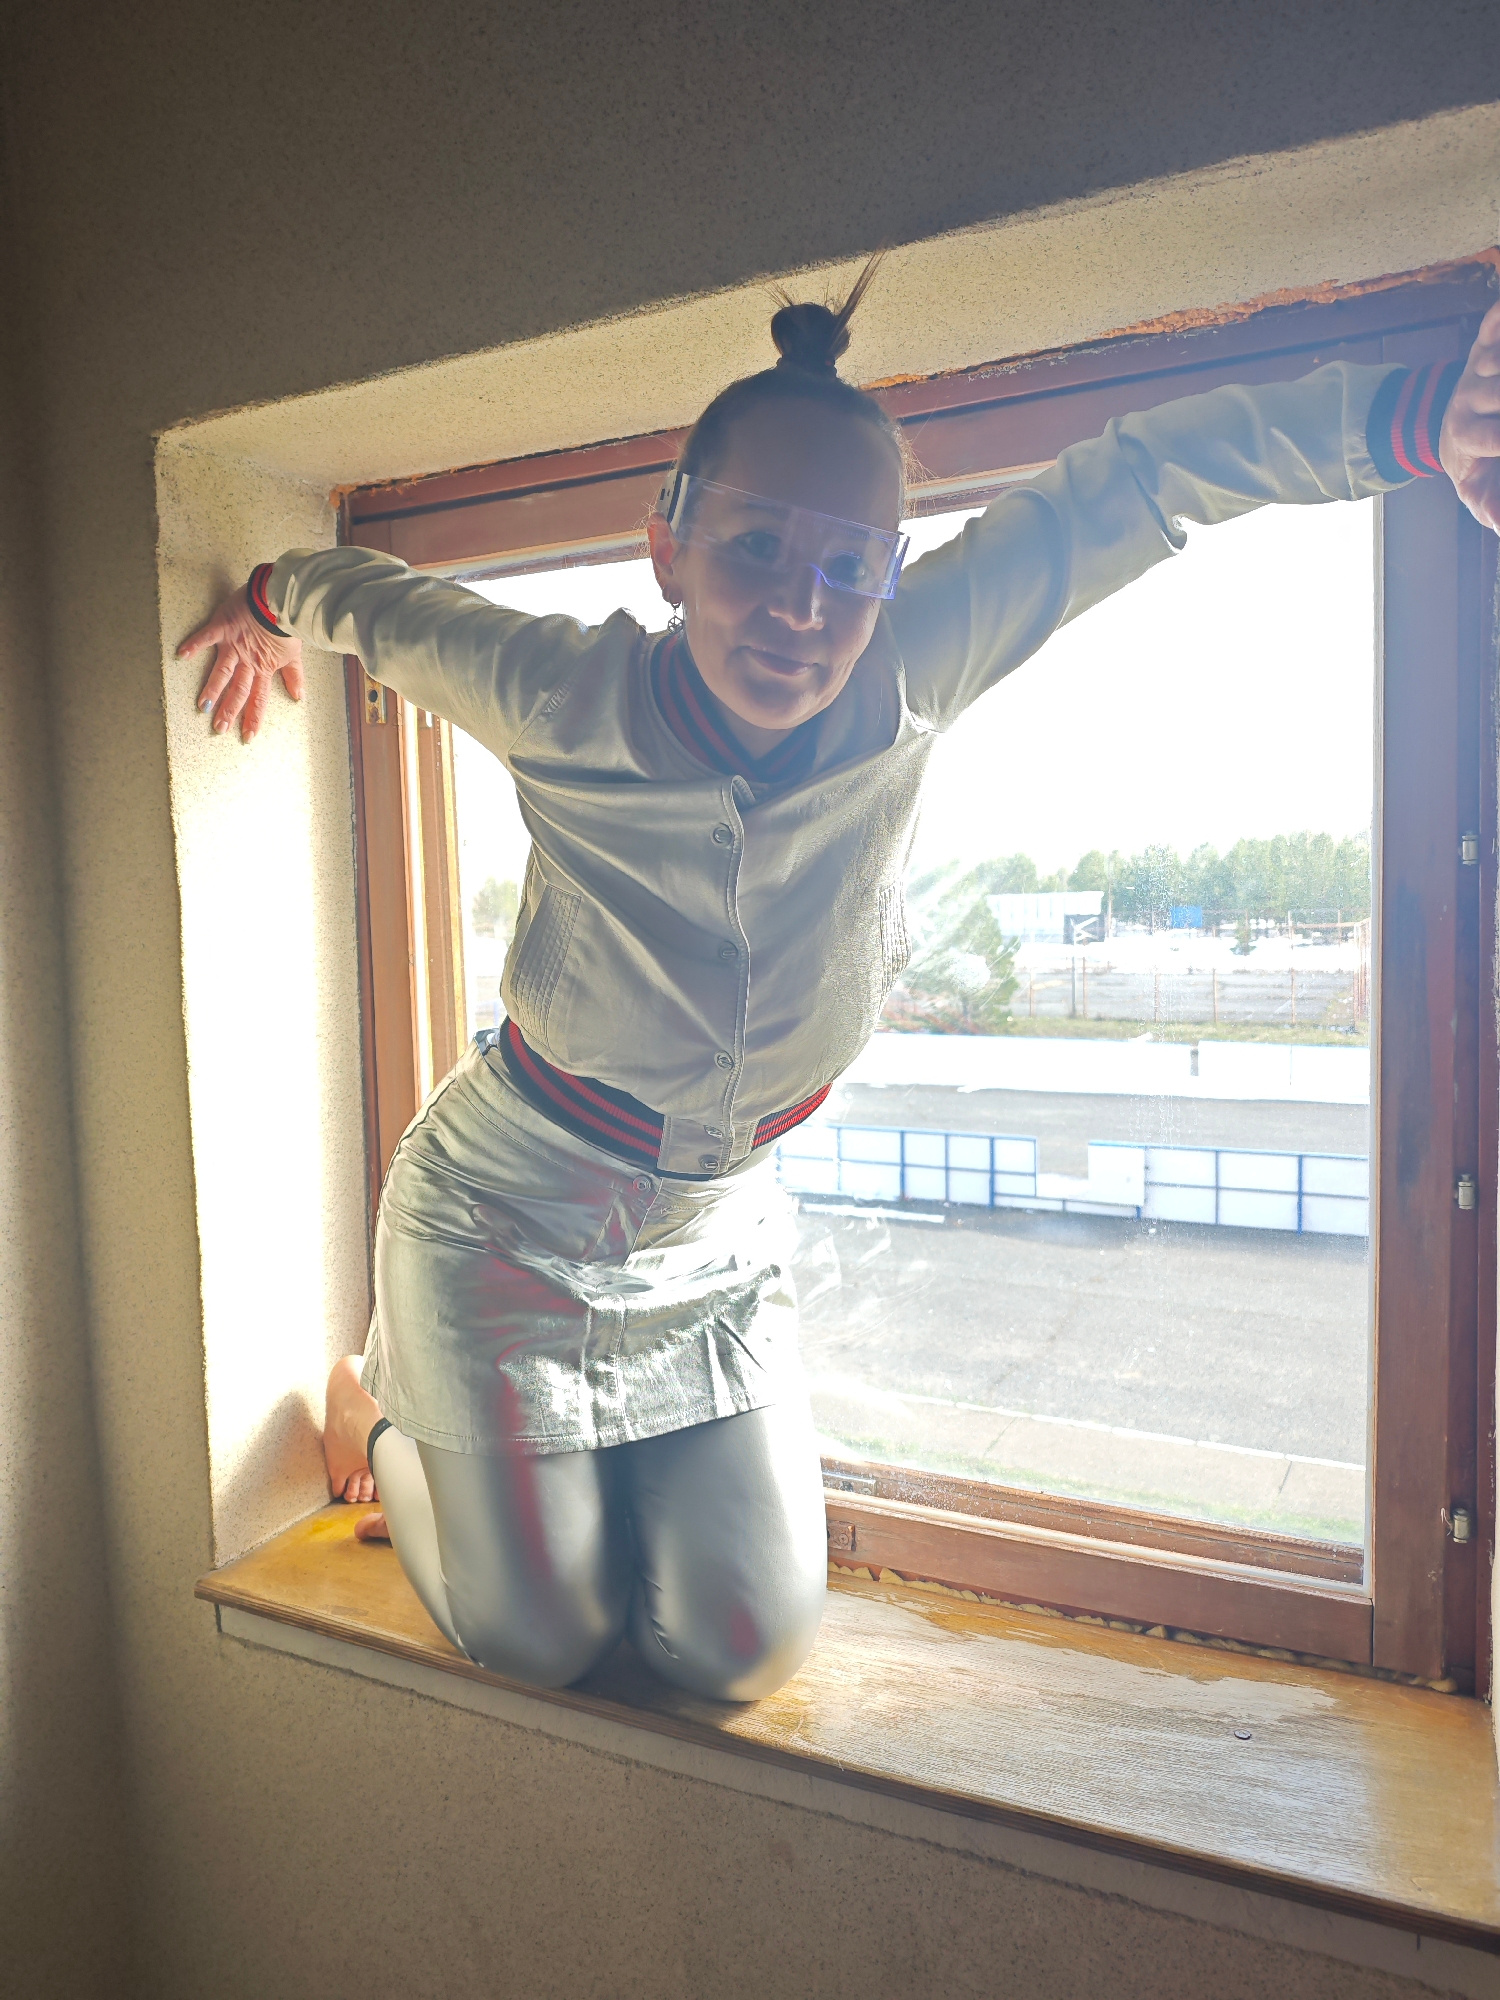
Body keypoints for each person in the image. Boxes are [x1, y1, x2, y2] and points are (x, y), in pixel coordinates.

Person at [180, 265, 1500, 1701]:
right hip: (504, 1209)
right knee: (539, 1639)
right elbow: (370, 600)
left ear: (888, 573)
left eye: (848, 568)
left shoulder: (915, 669)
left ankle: (527, 1483)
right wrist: (265, 600)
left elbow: (1138, 484)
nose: (799, 610)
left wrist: (1426, 419)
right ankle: (382, 1427)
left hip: (712, 1231)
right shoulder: (560, 693)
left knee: (736, 1651)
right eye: (756, 550)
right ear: (668, 546)